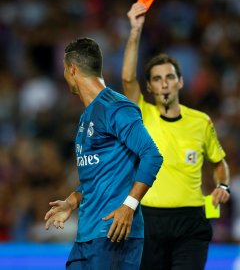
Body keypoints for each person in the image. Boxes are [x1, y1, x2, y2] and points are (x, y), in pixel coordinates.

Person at [122, 3, 231, 270]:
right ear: (149, 87)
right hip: (148, 221)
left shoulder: (200, 121)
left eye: (170, 77)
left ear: (180, 81)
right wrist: (135, 31)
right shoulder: (142, 115)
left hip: (191, 221)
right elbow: (127, 79)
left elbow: (219, 162)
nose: (164, 83)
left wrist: (222, 186)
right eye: (157, 79)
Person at [44, 37, 163, 270]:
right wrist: (71, 202)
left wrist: (129, 205)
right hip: (87, 235)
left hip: (113, 233)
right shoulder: (87, 115)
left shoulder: (116, 107)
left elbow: (152, 154)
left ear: (72, 69)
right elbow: (98, 174)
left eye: (65, 71)